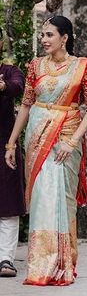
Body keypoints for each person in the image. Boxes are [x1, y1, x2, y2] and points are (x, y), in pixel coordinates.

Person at [5, 16, 87, 286]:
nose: (43, 39)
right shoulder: (35, 66)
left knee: (61, 197)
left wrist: (72, 141)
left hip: (67, 136)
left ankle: (61, 264)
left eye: (49, 35)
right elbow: (25, 105)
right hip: (36, 138)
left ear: (64, 37)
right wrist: (12, 143)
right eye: (42, 35)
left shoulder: (83, 66)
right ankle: (40, 264)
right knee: (42, 197)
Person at [0, 28, 25, 277]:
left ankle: (5, 260)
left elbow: (17, 88)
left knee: (7, 204)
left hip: (5, 146)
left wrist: (2, 85)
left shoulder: (10, 71)